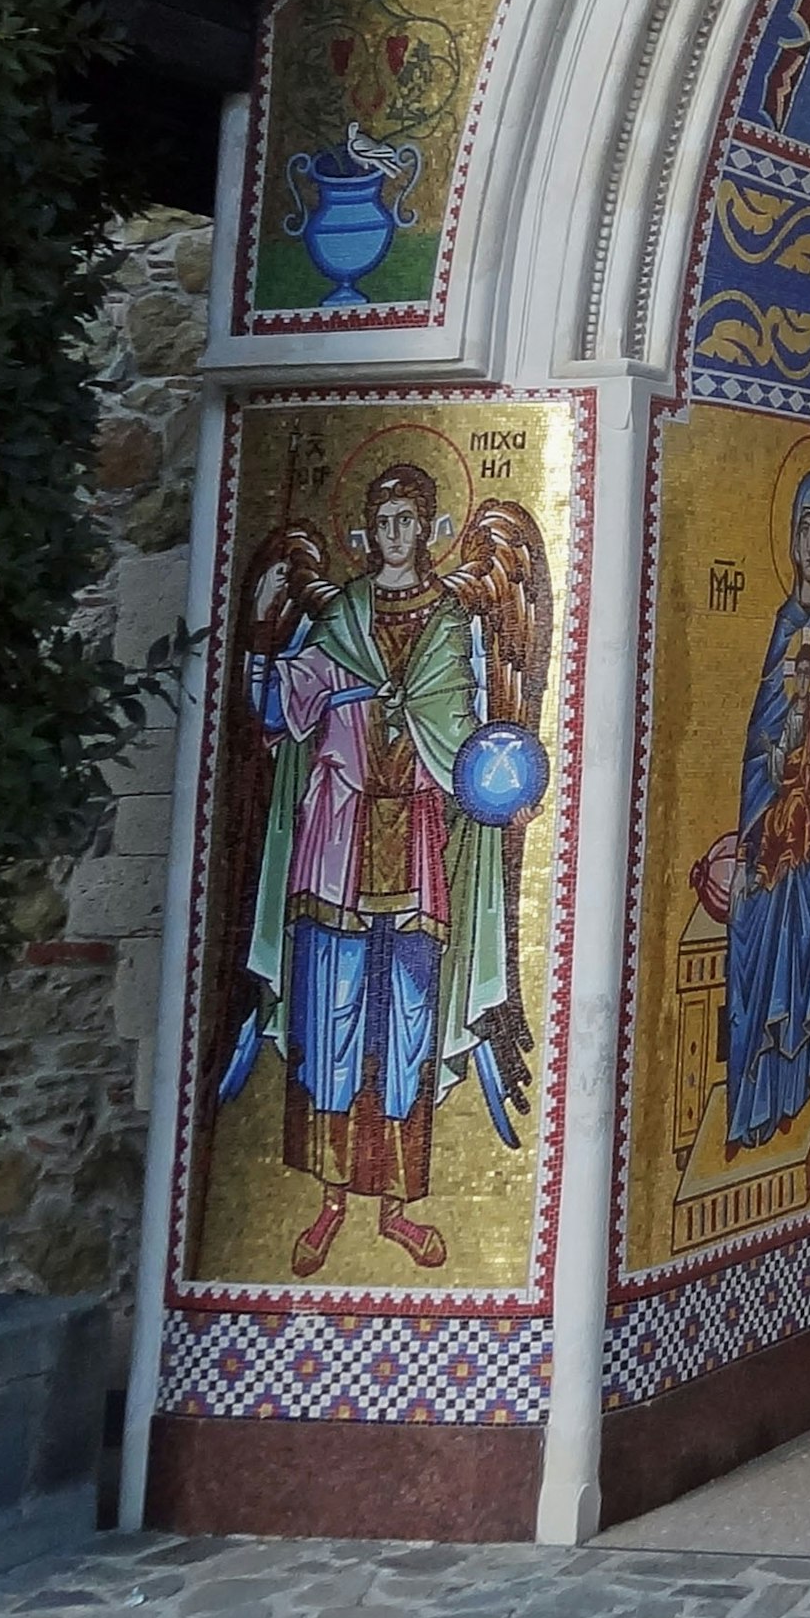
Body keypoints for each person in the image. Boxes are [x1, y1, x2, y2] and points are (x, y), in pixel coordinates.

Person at [241, 465, 536, 1277]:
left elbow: (464, 732)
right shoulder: (339, 617)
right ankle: (331, 1200)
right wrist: (265, 640)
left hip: (414, 849)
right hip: (336, 845)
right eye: (387, 518)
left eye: (413, 518)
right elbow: (282, 706)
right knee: (331, 1017)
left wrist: (495, 781)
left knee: (403, 1023)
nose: (399, 533)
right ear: (369, 531)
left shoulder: (447, 624)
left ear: (429, 528)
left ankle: (400, 1204)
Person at [726, 470, 810, 1153]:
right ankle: (757, 1084)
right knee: (753, 904)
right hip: (773, 806)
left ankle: (805, 1055)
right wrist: (773, 758)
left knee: (808, 876)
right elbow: (757, 730)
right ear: (790, 538)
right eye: (802, 527)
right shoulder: (783, 626)